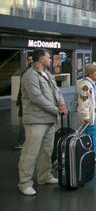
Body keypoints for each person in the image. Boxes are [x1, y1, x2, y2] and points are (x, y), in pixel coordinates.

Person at [17, 49, 67, 196]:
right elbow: (36, 98)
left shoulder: (48, 75)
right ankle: (25, 183)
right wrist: (55, 109)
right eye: (48, 58)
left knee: (46, 150)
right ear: (40, 59)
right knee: (30, 152)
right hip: (35, 120)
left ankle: (44, 176)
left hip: (50, 119)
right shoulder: (29, 76)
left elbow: (57, 91)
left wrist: (62, 104)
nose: (50, 60)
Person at [76, 64, 96, 163]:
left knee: (92, 134)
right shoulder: (85, 86)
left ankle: (92, 153)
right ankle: (92, 155)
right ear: (90, 73)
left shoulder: (91, 84)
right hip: (90, 115)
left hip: (93, 113)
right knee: (92, 134)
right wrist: (85, 116)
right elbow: (83, 102)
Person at [13, 56, 33, 151]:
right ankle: (20, 142)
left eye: (31, 59)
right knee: (24, 123)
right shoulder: (28, 73)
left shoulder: (30, 72)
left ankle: (22, 141)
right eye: (29, 60)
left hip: (25, 103)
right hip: (25, 103)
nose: (30, 61)